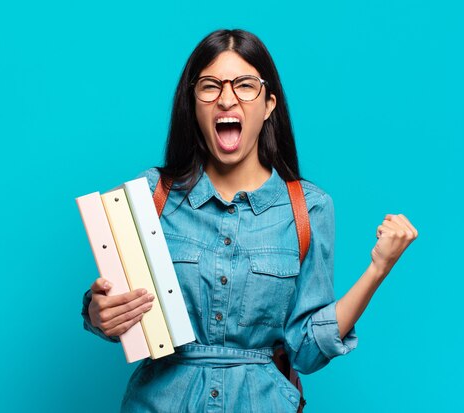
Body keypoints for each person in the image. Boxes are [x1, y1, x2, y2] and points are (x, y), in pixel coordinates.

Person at [81, 29, 418, 412]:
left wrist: (378, 268)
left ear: (269, 103)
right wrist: (96, 311)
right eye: (210, 86)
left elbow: (307, 352)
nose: (227, 99)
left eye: (244, 85)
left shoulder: (309, 209)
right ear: (193, 103)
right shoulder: (151, 195)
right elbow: (115, 304)